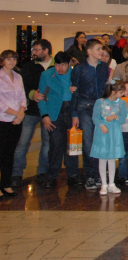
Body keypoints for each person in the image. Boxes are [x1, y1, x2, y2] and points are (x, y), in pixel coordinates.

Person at [11, 39, 53, 188]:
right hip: (31, 111)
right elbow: (22, 87)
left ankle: (43, 171)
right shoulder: (28, 67)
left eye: (36, 50)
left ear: (46, 50)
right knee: (23, 142)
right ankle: (16, 173)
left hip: (49, 111)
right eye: (33, 50)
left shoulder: (57, 66)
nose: (34, 53)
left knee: (47, 143)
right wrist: (31, 94)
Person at [71, 38, 109, 191]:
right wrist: (74, 113)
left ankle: (100, 173)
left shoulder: (104, 67)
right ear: (89, 51)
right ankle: (90, 175)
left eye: (102, 49)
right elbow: (75, 92)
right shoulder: (79, 69)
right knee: (88, 142)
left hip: (101, 108)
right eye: (98, 49)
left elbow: (106, 88)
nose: (102, 52)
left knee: (100, 141)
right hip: (84, 107)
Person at [38, 52, 80, 188]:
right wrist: (44, 115)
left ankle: (73, 175)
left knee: (72, 144)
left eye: (63, 65)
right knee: (56, 145)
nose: (60, 68)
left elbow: (80, 96)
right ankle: (52, 175)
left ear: (69, 64)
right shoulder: (47, 75)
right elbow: (42, 97)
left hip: (71, 111)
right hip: (54, 113)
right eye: (57, 64)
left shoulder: (75, 75)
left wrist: (76, 115)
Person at [90, 81, 125, 196]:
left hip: (114, 132)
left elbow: (122, 118)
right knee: (102, 158)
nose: (122, 94)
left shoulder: (122, 103)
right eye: (121, 92)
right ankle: (104, 184)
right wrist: (101, 125)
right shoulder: (100, 102)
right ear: (113, 92)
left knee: (112, 158)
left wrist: (115, 116)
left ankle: (111, 183)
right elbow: (95, 117)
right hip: (103, 133)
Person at [0, 50, 26, 199]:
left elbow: (23, 97)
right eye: (8, 59)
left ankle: (6, 184)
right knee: (1, 153)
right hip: (3, 119)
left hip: (17, 120)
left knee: (10, 153)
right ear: (2, 60)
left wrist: (21, 113)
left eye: (14, 59)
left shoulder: (18, 77)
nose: (11, 61)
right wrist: (15, 113)